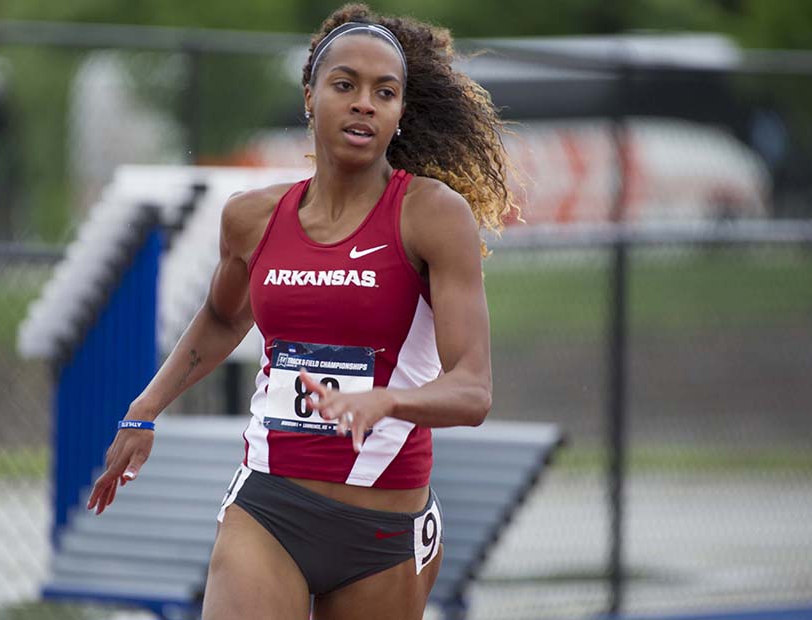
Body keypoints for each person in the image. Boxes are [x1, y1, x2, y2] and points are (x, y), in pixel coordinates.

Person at [86, 4, 519, 619]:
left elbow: (472, 391)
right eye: (346, 85)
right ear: (311, 96)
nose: (364, 103)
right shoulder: (252, 217)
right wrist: (146, 407)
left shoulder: (430, 215)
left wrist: (384, 401)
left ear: (399, 113)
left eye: (385, 92)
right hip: (270, 508)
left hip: (382, 532)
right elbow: (222, 315)